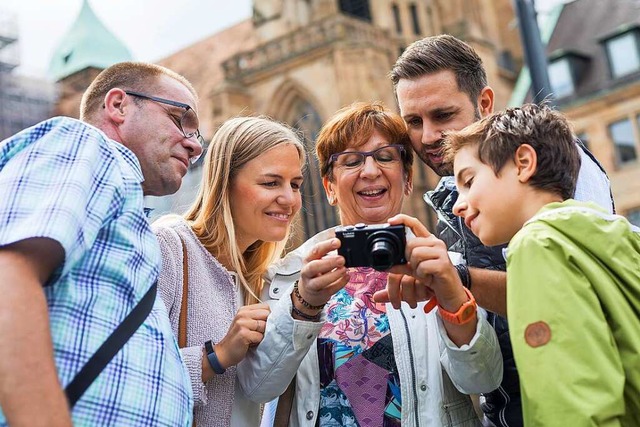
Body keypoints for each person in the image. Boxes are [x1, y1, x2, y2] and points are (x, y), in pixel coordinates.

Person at [388, 34, 615, 426]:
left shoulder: (553, 163)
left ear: (485, 103)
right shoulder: (452, 200)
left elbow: (582, 298)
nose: (427, 136)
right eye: (413, 121)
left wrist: (454, 279)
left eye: (443, 115)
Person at [242, 102, 502, 426]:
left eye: (385, 157)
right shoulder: (289, 276)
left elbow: (483, 380)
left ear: (407, 179)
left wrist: (451, 295)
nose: (369, 171)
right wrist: (303, 305)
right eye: (351, 161)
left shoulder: (446, 267)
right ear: (330, 188)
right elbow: (257, 388)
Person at [0, 62, 203, 426]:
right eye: (179, 119)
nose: (193, 144)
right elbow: (7, 277)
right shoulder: (87, 145)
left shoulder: (125, 203)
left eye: (198, 135)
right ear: (119, 106)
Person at [444, 103, 640, 426]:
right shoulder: (611, 235)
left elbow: (571, 400)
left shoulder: (536, 245)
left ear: (523, 163)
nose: (458, 205)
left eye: (468, 181)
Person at [153, 116, 306, 426]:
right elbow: (130, 375)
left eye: (296, 184)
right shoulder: (168, 245)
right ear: (225, 182)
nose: (289, 199)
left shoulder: (264, 279)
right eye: (270, 182)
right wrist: (219, 354)